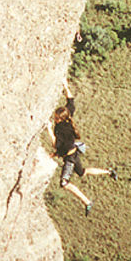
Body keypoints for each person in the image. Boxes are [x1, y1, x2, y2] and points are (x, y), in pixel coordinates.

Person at [47, 79, 117, 216]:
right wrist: (65, 86)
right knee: (83, 172)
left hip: (70, 158)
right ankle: (109, 172)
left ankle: (87, 202)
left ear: (60, 119)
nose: (55, 119)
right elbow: (71, 101)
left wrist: (49, 129)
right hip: (74, 152)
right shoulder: (68, 118)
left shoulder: (60, 129)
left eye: (56, 118)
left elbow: (57, 145)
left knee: (64, 183)